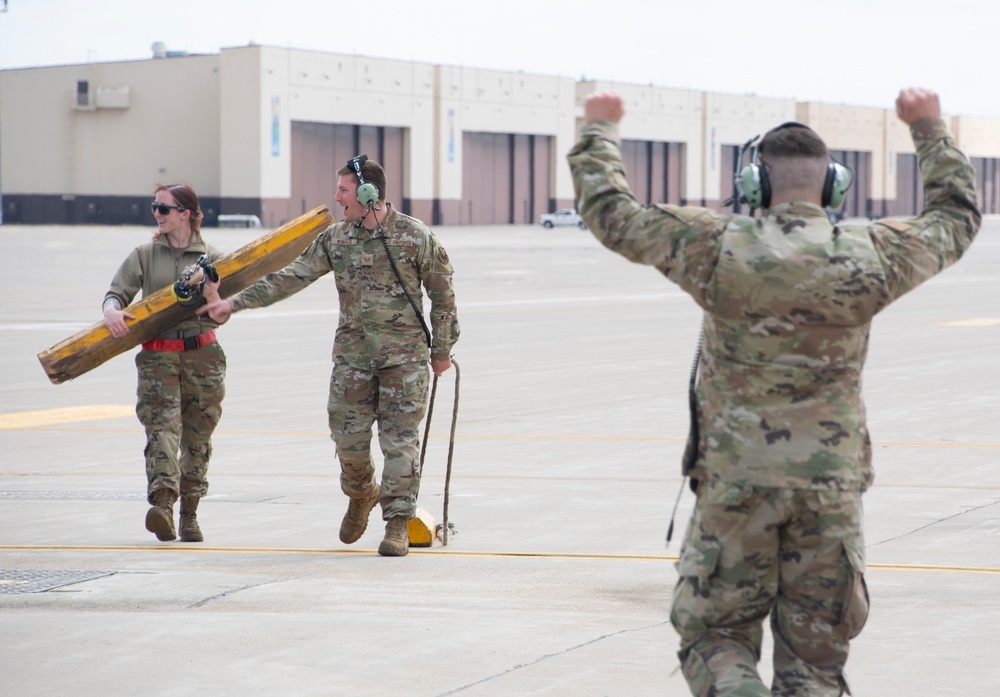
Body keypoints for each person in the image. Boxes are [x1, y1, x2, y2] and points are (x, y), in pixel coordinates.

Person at [567, 88, 980, 695]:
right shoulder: (871, 254)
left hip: (737, 484)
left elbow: (611, 213)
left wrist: (599, 128)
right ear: (835, 187)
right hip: (829, 490)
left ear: (755, 184)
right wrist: (928, 128)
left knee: (716, 639)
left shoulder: (717, 246)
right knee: (815, 663)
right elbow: (957, 217)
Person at [198, 156, 459, 557]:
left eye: (343, 191)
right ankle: (361, 493)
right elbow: (292, 275)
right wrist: (234, 304)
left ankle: (396, 524)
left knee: (400, 443)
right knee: (348, 440)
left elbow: (443, 295)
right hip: (352, 360)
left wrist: (441, 350)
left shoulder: (414, 236)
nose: (336, 199)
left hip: (404, 360)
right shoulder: (336, 238)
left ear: (370, 193)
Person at [103, 183, 227, 543]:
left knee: (198, 439)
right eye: (154, 207)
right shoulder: (144, 255)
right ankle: (163, 505)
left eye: (164, 208)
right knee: (161, 432)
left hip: (203, 356)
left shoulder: (212, 257)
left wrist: (213, 292)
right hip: (157, 356)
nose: (156, 214)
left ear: (185, 214)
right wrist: (111, 311)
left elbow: (221, 315)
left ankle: (190, 512)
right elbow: (116, 294)